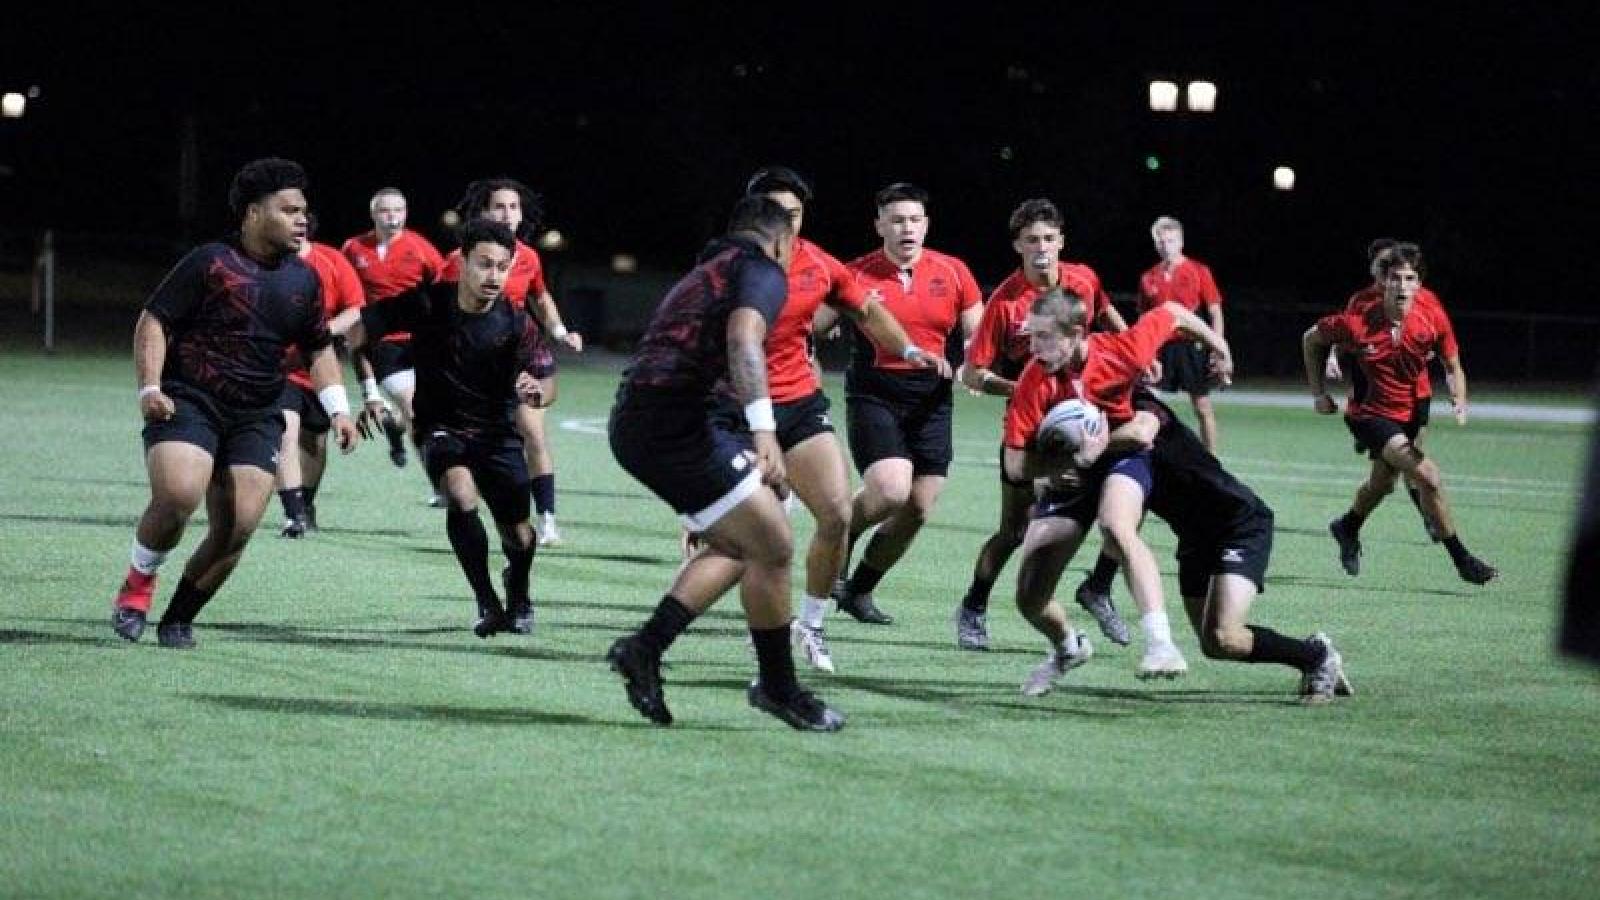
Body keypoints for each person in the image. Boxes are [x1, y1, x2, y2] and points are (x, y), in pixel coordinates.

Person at [1003, 316, 1352, 701]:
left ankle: (1316, 655)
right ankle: (1310, 654)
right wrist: (1056, 467)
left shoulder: (1147, 412)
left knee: (1225, 635)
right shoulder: (1104, 424)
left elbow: (1137, 435)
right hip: (1193, 538)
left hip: (1238, 524)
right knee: (1216, 644)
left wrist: (1218, 343)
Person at [606, 196, 844, 731]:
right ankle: (778, 689)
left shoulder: (709, 267)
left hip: (645, 420)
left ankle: (645, 649)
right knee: (776, 544)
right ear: (782, 241)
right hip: (676, 424)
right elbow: (743, 340)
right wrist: (765, 432)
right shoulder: (759, 269)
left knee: (747, 544)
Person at [697, 166, 948, 673]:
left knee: (835, 514)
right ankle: (716, 629)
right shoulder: (727, 266)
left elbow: (865, 309)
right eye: (775, 213)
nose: (785, 223)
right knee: (747, 537)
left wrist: (906, 346)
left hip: (799, 405)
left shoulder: (819, 263)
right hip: (735, 410)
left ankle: (810, 625)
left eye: (794, 213)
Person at [110, 157, 359, 647]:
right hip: (191, 399)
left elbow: (318, 347)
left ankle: (179, 618)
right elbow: (153, 321)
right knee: (179, 494)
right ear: (252, 212)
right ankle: (138, 584)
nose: (301, 220)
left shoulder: (304, 279)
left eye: (304, 211)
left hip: (256, 414)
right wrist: (150, 387)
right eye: (288, 210)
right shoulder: (210, 262)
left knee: (238, 527)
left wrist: (338, 408)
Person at [1003, 288, 1232, 682]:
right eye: (1031, 336)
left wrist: (1219, 346)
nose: (1034, 347)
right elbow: (1015, 464)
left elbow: (1174, 311)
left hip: (1121, 457)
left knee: (1117, 526)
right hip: (1070, 473)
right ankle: (1068, 646)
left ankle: (1161, 645)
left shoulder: (1122, 351)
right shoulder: (1033, 379)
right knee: (1029, 599)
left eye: (1044, 337)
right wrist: (1056, 467)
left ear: (1077, 333)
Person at [340, 218, 546, 636]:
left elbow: (547, 381)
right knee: (458, 492)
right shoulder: (427, 304)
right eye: (484, 264)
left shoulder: (517, 323)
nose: (494, 276)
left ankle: (517, 587)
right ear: (464, 263)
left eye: (502, 267)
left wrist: (536, 388)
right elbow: (359, 332)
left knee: (520, 537)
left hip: (497, 436)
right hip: (439, 427)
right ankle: (487, 602)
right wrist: (368, 393)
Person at [953, 198, 1128, 650]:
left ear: (1062, 241)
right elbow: (972, 373)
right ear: (1018, 246)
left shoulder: (1085, 280)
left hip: (1092, 418)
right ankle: (973, 604)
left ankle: (1099, 586)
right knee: (1015, 530)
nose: (1042, 248)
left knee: (1126, 500)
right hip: (1034, 433)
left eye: (1049, 238)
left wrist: (1129, 354)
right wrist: (1022, 390)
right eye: (1032, 240)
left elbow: (1107, 314)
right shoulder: (1005, 304)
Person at [829, 182, 983, 626]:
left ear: (927, 224)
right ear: (879, 225)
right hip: (874, 392)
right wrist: (827, 318)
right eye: (897, 220)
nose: (907, 228)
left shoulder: (953, 272)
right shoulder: (855, 272)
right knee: (891, 490)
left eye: (915, 220)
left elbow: (976, 332)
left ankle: (859, 591)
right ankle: (842, 532)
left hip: (932, 397)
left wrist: (974, 361)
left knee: (917, 508)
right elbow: (817, 317)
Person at [1302, 243, 1497, 584]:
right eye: (1396, 278)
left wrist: (1459, 395)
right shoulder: (1358, 317)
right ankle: (1462, 559)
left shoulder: (1432, 315)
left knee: (1383, 483)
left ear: (1419, 283)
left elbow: (1452, 363)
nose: (1403, 286)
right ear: (1384, 281)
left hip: (1414, 407)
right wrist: (1319, 393)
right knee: (1428, 476)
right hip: (1370, 413)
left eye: (1410, 279)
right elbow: (1311, 339)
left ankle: (1347, 526)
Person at [442, 178, 583, 546]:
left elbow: (540, 296)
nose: (507, 214)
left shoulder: (529, 257)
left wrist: (559, 330)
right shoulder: (459, 261)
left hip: (518, 355)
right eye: (499, 207)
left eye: (514, 207)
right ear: (483, 213)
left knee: (532, 430)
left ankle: (548, 518)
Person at [1325, 239, 1449, 540]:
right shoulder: (1363, 301)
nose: (1389, 274)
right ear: (1376, 269)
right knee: (1407, 467)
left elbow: (1437, 334)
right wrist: (1332, 356)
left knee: (1401, 468)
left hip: (1418, 394)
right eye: (1383, 266)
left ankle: (1351, 525)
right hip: (1378, 401)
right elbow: (1340, 331)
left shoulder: (1422, 299)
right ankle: (1430, 519)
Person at [275, 213, 371, 538]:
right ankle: (294, 513)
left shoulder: (331, 260)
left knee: (314, 440)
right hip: (279, 369)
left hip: (318, 366)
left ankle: (307, 502)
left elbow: (355, 308)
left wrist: (323, 332)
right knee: (284, 431)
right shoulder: (267, 261)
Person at [340, 187, 444, 481]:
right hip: (384, 344)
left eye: (398, 210)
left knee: (423, 409)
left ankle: (394, 427)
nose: (393, 217)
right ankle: (438, 484)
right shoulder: (354, 248)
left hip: (422, 341)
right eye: (386, 211)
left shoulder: (420, 247)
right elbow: (344, 289)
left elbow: (441, 287)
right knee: (414, 409)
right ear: (374, 214)